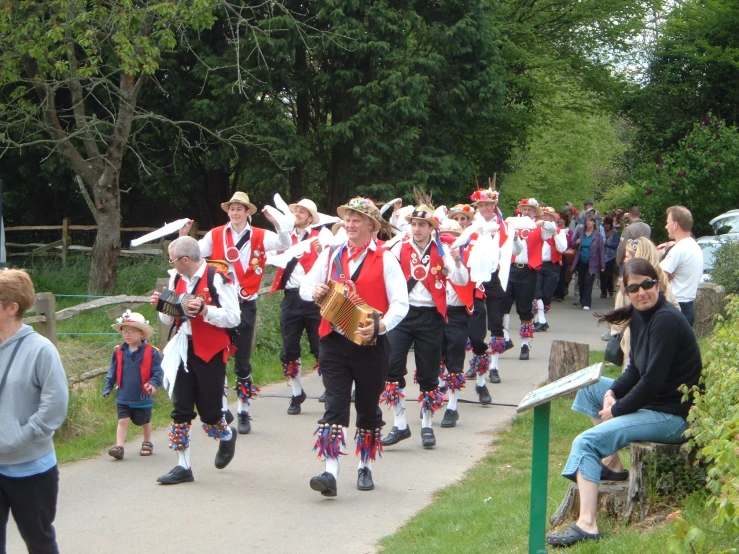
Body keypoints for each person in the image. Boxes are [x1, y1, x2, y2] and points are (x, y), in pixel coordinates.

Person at [546, 258, 702, 547]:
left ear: (658, 283)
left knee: (585, 442)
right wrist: (612, 392)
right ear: (626, 290)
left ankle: (587, 524)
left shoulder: (665, 319)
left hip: (672, 417)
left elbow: (652, 380)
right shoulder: (641, 315)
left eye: (647, 284)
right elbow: (635, 369)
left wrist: (615, 410)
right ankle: (613, 466)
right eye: (634, 287)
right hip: (654, 402)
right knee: (590, 389)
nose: (642, 291)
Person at [300, 197, 408, 497]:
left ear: (371, 226)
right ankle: (330, 472)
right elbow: (304, 287)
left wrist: (381, 325)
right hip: (333, 340)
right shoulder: (331, 254)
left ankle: (365, 465)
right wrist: (316, 290)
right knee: (334, 404)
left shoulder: (385, 258)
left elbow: (401, 303)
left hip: (370, 344)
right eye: (347, 219)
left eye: (356, 220)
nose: (349, 224)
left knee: (367, 407)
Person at [180, 191, 290, 434]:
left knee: (242, 361)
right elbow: (194, 254)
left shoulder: (260, 235)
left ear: (248, 212)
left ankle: (243, 411)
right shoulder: (216, 233)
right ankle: (222, 407)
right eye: (232, 208)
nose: (235, 212)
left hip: (245, 302)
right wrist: (183, 237)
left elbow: (285, 244)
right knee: (218, 356)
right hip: (219, 304)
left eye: (239, 208)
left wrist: (277, 223)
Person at [151, 237, 242, 485]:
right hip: (183, 346)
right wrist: (163, 305)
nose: (171, 265)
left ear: (185, 259)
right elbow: (168, 321)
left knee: (211, 411)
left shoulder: (217, 278)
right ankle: (183, 466)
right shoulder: (175, 278)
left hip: (210, 350)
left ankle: (225, 434)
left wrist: (205, 310)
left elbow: (234, 317)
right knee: (180, 407)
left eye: (172, 260)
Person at [383, 204, 468, 449]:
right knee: (391, 367)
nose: (416, 229)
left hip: (431, 316)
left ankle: (427, 425)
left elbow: (461, 281)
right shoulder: (398, 246)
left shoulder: (443, 249)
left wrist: (458, 262)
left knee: (429, 374)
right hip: (402, 315)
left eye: (422, 225)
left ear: (432, 228)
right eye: (413, 224)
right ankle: (400, 424)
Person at [0, 269, 69, 554]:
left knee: (39, 542)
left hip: (31, 470)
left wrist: (19, 437)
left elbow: (54, 406)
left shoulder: (40, 350)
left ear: (11, 308)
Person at [269, 198, 323, 415]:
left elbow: (330, 266)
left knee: (321, 347)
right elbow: (270, 258)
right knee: (289, 348)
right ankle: (296, 392)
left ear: (310, 218)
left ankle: (330, 389)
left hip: (315, 298)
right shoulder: (284, 239)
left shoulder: (320, 238)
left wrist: (320, 252)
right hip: (291, 299)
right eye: (296, 211)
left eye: (302, 212)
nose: (298, 214)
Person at [606, 237, 679, 361]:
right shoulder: (663, 281)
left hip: (636, 344)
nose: (624, 260)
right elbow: (676, 308)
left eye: (627, 256)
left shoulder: (630, 288)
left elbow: (618, 323)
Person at [103, 310, 163, 459]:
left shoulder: (152, 352)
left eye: (131, 331)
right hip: (123, 394)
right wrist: (108, 386)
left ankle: (147, 442)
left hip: (142, 395)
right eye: (124, 332)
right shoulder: (118, 351)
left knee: (144, 420)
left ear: (142, 334)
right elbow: (112, 371)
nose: (127, 335)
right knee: (123, 420)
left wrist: (153, 384)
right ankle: (119, 447)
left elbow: (157, 372)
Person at [659, 206, 703, 327]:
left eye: (668, 223)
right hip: (687, 306)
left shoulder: (680, 249)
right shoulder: (693, 245)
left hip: (677, 306)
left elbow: (658, 277)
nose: (666, 226)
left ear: (675, 225)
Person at [532, 207, 568, 332]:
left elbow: (562, 249)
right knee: (537, 293)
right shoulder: (537, 230)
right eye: (543, 215)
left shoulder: (559, 231)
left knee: (547, 295)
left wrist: (555, 235)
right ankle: (541, 320)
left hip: (552, 266)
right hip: (537, 264)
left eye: (547, 215)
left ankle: (538, 319)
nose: (544, 217)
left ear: (552, 218)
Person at [572, 215, 605, 310]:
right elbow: (572, 244)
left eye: (591, 221)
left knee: (588, 282)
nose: (588, 222)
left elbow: (601, 250)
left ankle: (587, 303)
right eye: (587, 221)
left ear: (594, 223)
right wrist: (576, 242)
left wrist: (602, 265)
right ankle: (582, 299)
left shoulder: (597, 235)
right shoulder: (580, 232)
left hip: (592, 262)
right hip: (581, 261)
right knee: (581, 282)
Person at [599, 216, 619, 298]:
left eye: (608, 224)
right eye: (605, 224)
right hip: (602, 256)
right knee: (602, 275)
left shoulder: (614, 233)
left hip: (611, 256)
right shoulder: (601, 232)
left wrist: (608, 243)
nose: (606, 226)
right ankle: (603, 291)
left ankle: (610, 289)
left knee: (610, 275)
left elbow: (616, 244)